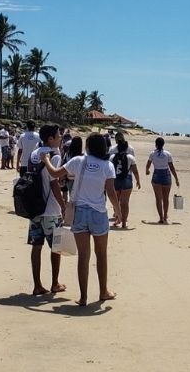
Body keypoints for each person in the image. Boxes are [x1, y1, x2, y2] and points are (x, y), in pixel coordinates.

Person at [43, 133, 121, 307]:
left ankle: (84, 297)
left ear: (88, 147)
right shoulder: (107, 165)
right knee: (101, 254)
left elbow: (55, 173)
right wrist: (118, 210)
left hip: (79, 212)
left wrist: (46, 159)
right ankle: (103, 291)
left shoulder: (78, 161)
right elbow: (110, 191)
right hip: (98, 213)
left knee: (83, 256)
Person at [27, 125, 67, 295]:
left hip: (34, 207)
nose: (60, 139)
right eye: (58, 136)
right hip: (50, 209)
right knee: (56, 247)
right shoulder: (54, 156)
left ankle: (37, 285)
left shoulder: (34, 154)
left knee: (36, 246)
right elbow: (54, 182)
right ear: (50, 139)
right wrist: (64, 205)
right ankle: (55, 283)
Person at [145, 137, 180, 224]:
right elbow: (171, 167)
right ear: (163, 144)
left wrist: (147, 171)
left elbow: (148, 165)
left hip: (156, 175)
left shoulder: (152, 154)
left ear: (156, 144)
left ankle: (161, 217)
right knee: (166, 198)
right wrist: (176, 178)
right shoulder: (168, 154)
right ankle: (165, 216)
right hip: (166, 175)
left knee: (158, 198)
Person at [110, 136, 141, 229]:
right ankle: (123, 223)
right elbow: (135, 171)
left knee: (116, 201)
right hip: (127, 180)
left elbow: (110, 170)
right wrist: (138, 181)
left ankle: (117, 219)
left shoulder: (112, 157)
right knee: (125, 203)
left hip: (116, 180)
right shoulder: (130, 157)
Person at [61, 136, 83, 203]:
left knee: (71, 197)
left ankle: (67, 209)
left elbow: (64, 164)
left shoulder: (68, 154)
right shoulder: (82, 155)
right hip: (79, 179)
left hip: (69, 178)